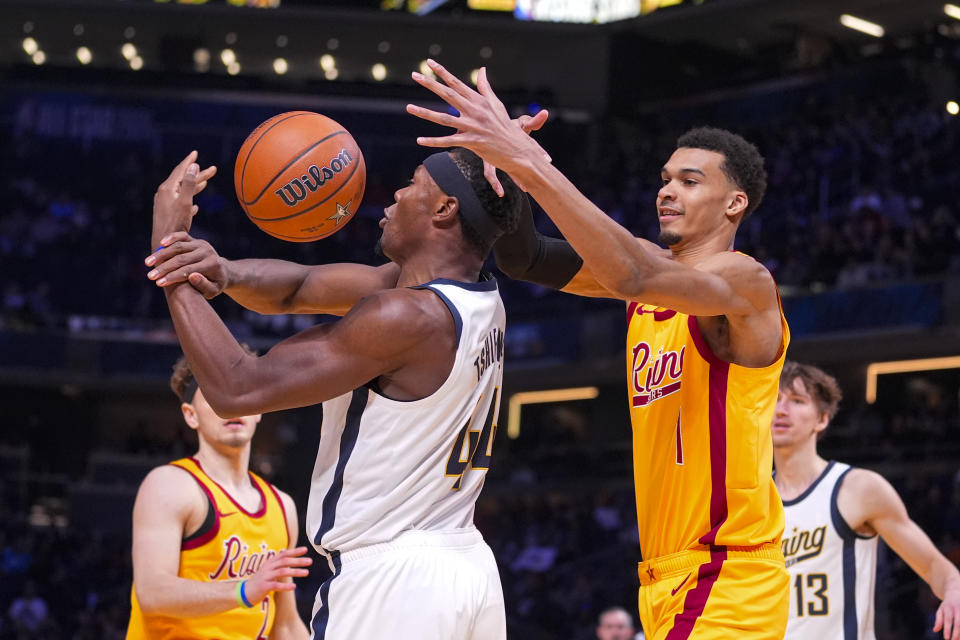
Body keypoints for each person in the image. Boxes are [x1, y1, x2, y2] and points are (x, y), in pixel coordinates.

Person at [407, 61, 790, 639]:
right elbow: (525, 257)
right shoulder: (645, 270)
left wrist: (533, 165)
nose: (667, 190)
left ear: (734, 204)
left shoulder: (745, 282)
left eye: (689, 181)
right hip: (665, 578)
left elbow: (631, 275)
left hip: (729, 571)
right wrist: (504, 174)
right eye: (665, 178)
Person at [147, 146, 525, 639]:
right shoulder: (475, 296)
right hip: (464, 566)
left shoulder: (405, 317)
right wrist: (223, 271)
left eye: (412, 183)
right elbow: (300, 287)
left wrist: (168, 251)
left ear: (445, 208)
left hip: (394, 584)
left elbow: (237, 386)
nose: (395, 195)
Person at [126, 348, 311, 640]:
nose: (231, 405)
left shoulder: (281, 505)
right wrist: (243, 590)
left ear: (259, 408)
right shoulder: (169, 485)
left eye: (241, 393)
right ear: (191, 415)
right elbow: (153, 592)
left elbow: (285, 625)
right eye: (216, 395)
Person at [772, 361, 960, 640]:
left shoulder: (858, 488)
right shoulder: (747, 499)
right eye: (774, 399)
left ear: (822, 419)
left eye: (797, 401)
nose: (781, 409)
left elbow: (934, 566)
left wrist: (954, 591)